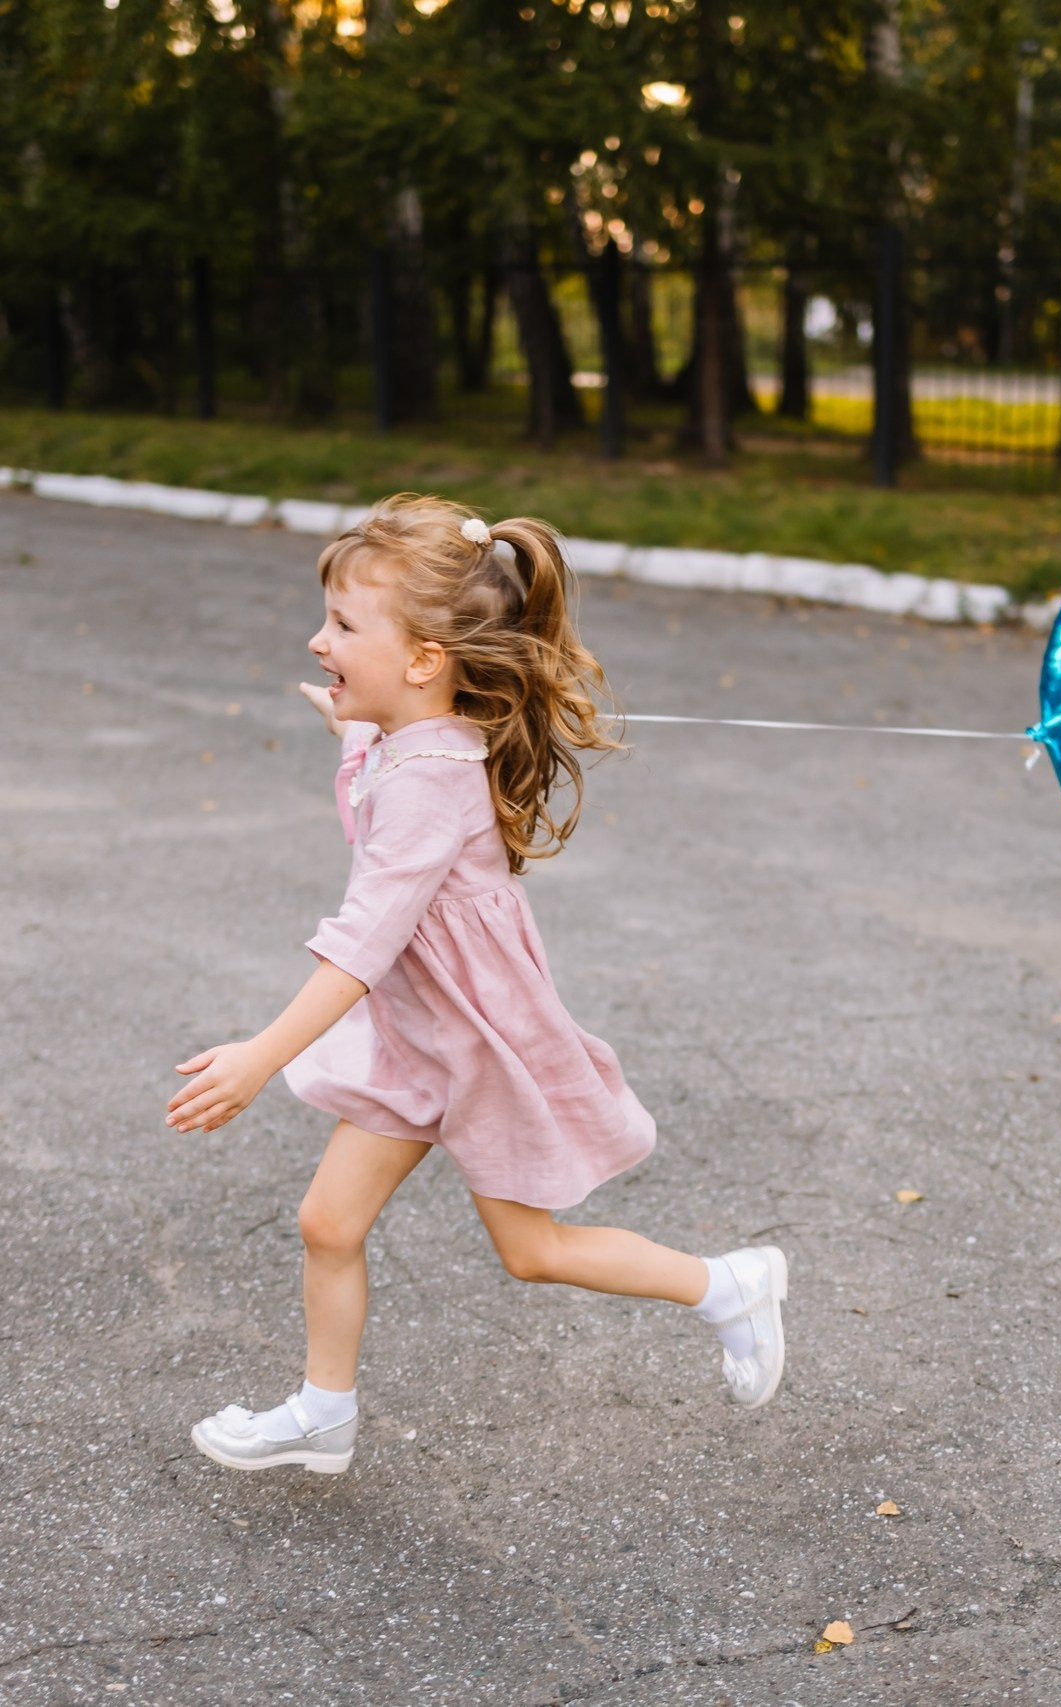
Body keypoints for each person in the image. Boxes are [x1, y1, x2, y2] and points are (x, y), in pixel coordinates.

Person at [164, 496, 787, 1474]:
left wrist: (259, 1057)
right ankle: (323, 1415)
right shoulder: (413, 748)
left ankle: (727, 1285)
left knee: (532, 1252)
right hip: (419, 1037)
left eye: (342, 626)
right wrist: (353, 738)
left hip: (475, 1045)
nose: (316, 639)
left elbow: (366, 937)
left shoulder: (430, 777)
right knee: (327, 1221)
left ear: (422, 661)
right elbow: (379, 839)